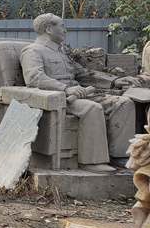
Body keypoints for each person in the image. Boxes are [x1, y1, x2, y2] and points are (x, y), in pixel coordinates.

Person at [20, 13, 135, 171]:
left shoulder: (61, 52)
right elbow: (34, 78)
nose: (65, 30)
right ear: (48, 29)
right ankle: (91, 162)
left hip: (81, 94)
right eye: (62, 26)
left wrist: (113, 81)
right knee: (92, 108)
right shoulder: (33, 51)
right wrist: (65, 88)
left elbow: (82, 73)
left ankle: (119, 156)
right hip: (60, 98)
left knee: (124, 103)